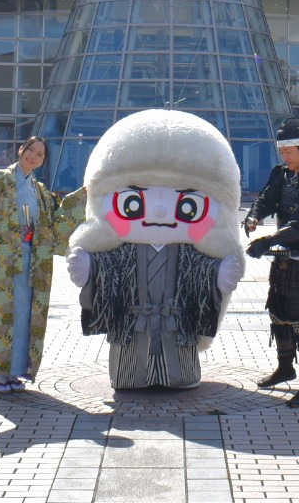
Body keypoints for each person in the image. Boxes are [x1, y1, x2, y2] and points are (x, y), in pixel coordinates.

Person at [66, 109, 246, 390]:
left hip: (175, 322)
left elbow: (199, 271)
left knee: (177, 359)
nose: (160, 211)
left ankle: (179, 377)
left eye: (188, 206)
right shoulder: (124, 249)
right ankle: (130, 377)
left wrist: (216, 273)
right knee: (131, 363)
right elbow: (110, 266)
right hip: (133, 322)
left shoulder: (187, 252)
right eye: (132, 202)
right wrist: (92, 267)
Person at [0, 137, 86, 394]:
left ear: (43, 161)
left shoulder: (40, 190)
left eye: (40, 154)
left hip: (31, 261)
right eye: (30, 150)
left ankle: (15, 371)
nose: (33, 156)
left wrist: (84, 196)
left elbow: (56, 220)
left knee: (23, 316)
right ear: (21, 150)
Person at [245, 117, 299, 408]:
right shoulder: (281, 175)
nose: (284, 156)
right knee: (279, 316)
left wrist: (267, 241)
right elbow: (266, 200)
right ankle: (285, 368)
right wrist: (253, 216)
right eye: (281, 151)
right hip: (283, 262)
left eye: (288, 151)